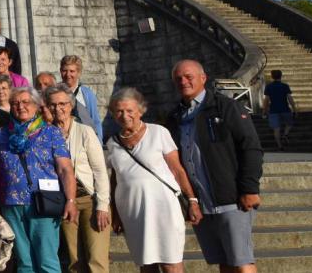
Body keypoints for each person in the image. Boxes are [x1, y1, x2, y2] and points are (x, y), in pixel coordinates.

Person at [166, 60, 263, 273]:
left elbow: (251, 147)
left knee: (242, 261)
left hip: (231, 199)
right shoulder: (175, 116)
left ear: (203, 78)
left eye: (188, 77)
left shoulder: (225, 106)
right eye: (178, 78)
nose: (183, 81)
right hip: (203, 204)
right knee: (224, 261)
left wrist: (249, 188)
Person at [107, 87, 203, 272]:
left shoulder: (159, 132)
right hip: (132, 209)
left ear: (140, 110)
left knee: (171, 263)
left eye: (129, 110)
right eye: (118, 110)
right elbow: (115, 179)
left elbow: (177, 170)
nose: (124, 115)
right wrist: (115, 213)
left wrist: (192, 200)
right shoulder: (112, 143)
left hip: (163, 207)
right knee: (146, 264)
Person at [0, 87, 78, 273]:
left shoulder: (51, 133)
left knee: (47, 261)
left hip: (44, 202)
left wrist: (70, 200)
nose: (20, 107)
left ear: (37, 105)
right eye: (15, 103)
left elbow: (65, 169)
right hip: (11, 204)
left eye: (25, 102)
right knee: (24, 262)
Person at [44, 84, 110, 273]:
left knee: (96, 261)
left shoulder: (85, 131)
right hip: (64, 203)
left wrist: (102, 205)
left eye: (62, 104)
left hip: (90, 200)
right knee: (74, 261)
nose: (58, 109)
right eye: (53, 105)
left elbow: (100, 171)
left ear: (71, 105)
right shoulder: (45, 134)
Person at [61, 55, 104, 140]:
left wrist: (99, 142)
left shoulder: (87, 94)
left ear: (79, 73)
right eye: (64, 71)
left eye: (72, 71)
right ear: (60, 71)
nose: (68, 74)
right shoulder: (55, 93)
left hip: (84, 139)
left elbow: (95, 120)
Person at [263, 69, 297, 151]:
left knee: (276, 129)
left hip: (273, 110)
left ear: (272, 76)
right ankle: (285, 134)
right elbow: (290, 98)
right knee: (289, 124)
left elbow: (266, 100)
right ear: (281, 76)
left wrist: (264, 110)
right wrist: (294, 109)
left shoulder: (269, 87)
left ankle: (280, 146)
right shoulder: (285, 86)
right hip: (285, 109)